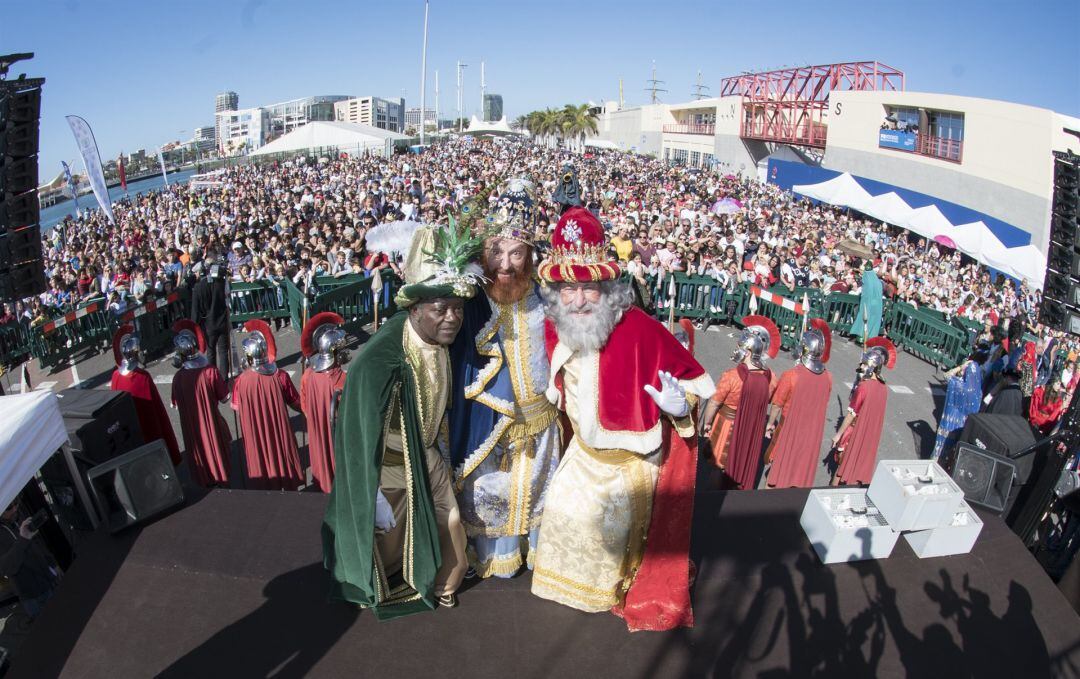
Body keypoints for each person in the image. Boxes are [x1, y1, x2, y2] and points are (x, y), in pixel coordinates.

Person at [531, 207, 714, 631]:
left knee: (607, 527)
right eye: (568, 288)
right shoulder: (556, 328)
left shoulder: (641, 329)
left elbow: (692, 387)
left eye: (589, 288)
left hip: (628, 467)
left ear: (608, 288)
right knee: (561, 510)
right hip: (582, 457)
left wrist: (679, 407)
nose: (578, 300)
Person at [323, 217, 483, 618]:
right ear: (414, 309)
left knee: (448, 520)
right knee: (390, 541)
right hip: (390, 469)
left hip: (425, 455)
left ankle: (444, 581)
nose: (452, 318)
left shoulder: (437, 339)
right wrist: (371, 490)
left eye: (457, 309)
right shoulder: (380, 360)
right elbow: (358, 429)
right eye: (440, 309)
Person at [447, 177, 561, 579]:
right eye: (497, 251)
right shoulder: (468, 301)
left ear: (529, 255)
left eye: (516, 253)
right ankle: (492, 555)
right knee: (489, 495)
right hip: (488, 425)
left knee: (533, 495)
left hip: (540, 423)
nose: (506, 264)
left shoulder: (547, 297)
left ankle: (527, 550)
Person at [699, 315, 780, 490]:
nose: (738, 349)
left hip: (726, 425)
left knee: (718, 465)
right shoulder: (772, 378)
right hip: (752, 426)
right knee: (743, 462)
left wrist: (707, 423)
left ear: (748, 352)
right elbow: (769, 400)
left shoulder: (731, 376)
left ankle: (713, 498)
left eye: (741, 347)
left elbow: (714, 403)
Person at [231, 319, 303, 490]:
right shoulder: (280, 376)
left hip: (256, 433)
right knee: (282, 456)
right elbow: (296, 403)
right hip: (278, 431)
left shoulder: (240, 382)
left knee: (261, 459)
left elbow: (236, 407)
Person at [764, 319, 834, 488]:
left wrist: (770, 424)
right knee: (798, 474)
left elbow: (777, 405)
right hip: (811, 433)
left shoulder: (791, 375)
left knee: (776, 475)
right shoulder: (828, 377)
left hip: (789, 428)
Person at [170, 319, 232, 488]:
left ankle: (206, 478)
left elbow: (175, 404)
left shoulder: (178, 378)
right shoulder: (210, 372)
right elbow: (225, 398)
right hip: (212, 421)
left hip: (193, 427)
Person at [109, 324, 181, 465]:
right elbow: (156, 409)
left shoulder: (116, 376)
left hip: (129, 428)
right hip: (147, 428)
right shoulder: (143, 376)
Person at [831, 337, 896, 485]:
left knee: (841, 467)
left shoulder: (864, 387)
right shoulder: (883, 388)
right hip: (870, 434)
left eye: (865, 364)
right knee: (857, 468)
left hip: (855, 431)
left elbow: (852, 414)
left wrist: (838, 434)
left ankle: (831, 494)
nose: (862, 367)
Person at [300, 312, 349, 493]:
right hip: (337, 437)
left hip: (316, 432)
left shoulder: (307, 375)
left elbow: (305, 407)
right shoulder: (342, 380)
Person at [0, 499, 58, 621]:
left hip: (47, 580)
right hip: (31, 596)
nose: (15, 508)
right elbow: (6, 567)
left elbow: (38, 543)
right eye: (9, 507)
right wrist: (23, 539)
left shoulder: (18, 516)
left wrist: (53, 564)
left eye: (16, 502)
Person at [930, 342, 989, 461]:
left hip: (951, 419)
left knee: (942, 446)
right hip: (962, 424)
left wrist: (960, 367)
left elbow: (946, 375)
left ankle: (935, 462)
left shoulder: (959, 385)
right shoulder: (978, 390)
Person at [189, 250, 231, 380]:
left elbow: (195, 311)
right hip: (222, 321)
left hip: (208, 324)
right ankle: (224, 378)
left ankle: (213, 378)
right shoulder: (220, 283)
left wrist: (194, 328)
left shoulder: (198, 288)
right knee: (223, 351)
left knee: (211, 351)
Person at [849, 261, 883, 342]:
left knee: (865, 319)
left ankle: (862, 338)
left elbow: (866, 294)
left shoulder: (867, 279)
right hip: (877, 305)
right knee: (872, 321)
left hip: (868, 303)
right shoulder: (878, 282)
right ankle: (869, 339)